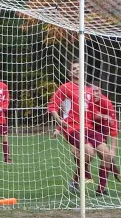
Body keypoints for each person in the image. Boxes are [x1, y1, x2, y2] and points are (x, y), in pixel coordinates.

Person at [47, 61, 94, 192]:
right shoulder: (65, 88)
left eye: (79, 68)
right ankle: (85, 175)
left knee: (83, 154)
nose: (77, 70)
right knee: (86, 152)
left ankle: (75, 181)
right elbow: (52, 106)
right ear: (70, 73)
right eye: (74, 68)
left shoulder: (89, 89)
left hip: (87, 127)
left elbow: (92, 111)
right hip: (71, 127)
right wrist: (59, 122)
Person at [87, 82, 121, 196]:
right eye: (93, 91)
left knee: (106, 155)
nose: (95, 93)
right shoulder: (86, 102)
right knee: (86, 155)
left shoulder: (106, 103)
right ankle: (77, 180)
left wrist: (114, 148)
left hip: (102, 131)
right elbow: (90, 115)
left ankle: (100, 189)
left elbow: (114, 126)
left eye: (98, 91)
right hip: (87, 130)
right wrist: (101, 116)